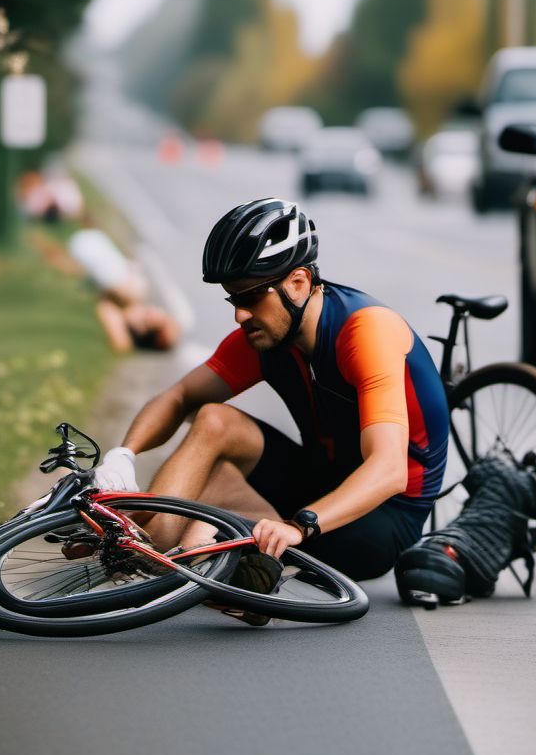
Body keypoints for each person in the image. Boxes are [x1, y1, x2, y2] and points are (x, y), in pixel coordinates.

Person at [92, 197, 449, 618]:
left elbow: (388, 470)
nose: (240, 315)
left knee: (209, 506)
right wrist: (123, 455)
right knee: (213, 420)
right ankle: (152, 552)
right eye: (233, 300)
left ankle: (214, 558)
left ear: (298, 282)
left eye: (251, 297)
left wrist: (300, 526)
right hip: (317, 480)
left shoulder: (365, 331)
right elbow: (179, 398)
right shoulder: (268, 333)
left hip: (379, 516)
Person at [66, 228, 181, 353]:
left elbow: (119, 339)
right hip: (84, 242)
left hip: (82, 243)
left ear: (142, 328)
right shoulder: (133, 294)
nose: (156, 310)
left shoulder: (122, 308)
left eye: (149, 317)